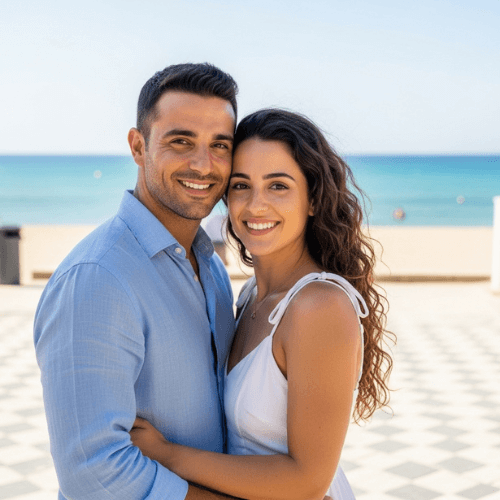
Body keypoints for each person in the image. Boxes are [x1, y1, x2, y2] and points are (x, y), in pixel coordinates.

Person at [130, 109, 395, 499]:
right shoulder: (250, 293)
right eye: (241, 186)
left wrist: (167, 455)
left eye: (278, 186)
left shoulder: (318, 306)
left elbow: (308, 481)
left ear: (313, 200)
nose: (255, 206)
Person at [34, 63, 240, 499]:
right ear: (138, 146)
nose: (203, 165)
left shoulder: (214, 270)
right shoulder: (97, 279)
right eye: (181, 141)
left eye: (219, 145)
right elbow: (94, 475)